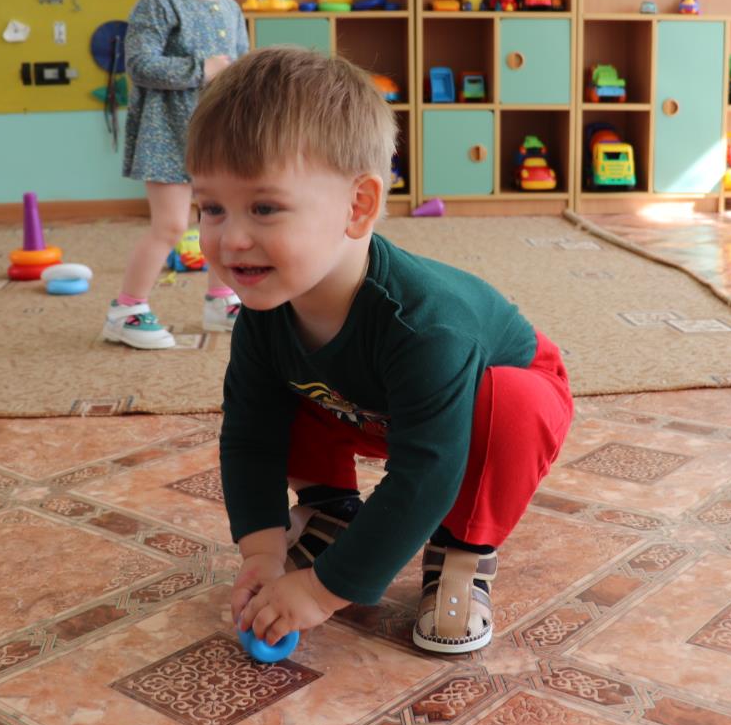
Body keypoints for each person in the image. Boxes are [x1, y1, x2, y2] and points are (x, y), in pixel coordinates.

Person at [190, 46, 574, 655]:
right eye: (212, 207)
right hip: (369, 405)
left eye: (264, 208)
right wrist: (262, 552)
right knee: (283, 391)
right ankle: (329, 510)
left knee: (512, 406)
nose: (231, 238)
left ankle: (463, 551)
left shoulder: (425, 326)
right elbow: (251, 435)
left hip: (482, 406)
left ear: (359, 206)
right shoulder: (267, 306)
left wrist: (320, 592)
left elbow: (427, 473)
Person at [102, 0, 246, 350]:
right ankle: (127, 309)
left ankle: (220, 300)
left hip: (217, 139)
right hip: (167, 136)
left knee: (220, 223)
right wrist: (201, 68)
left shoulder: (229, 7)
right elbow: (140, 65)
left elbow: (240, 69)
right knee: (168, 226)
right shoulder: (157, 3)